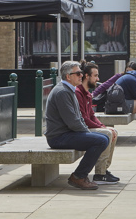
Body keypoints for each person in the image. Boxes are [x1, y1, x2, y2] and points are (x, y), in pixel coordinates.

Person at [45, 61, 109, 190]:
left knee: (104, 138)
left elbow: (78, 117)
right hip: (58, 137)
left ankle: (82, 175)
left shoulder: (69, 90)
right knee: (100, 140)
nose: (82, 75)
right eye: (78, 73)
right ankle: (78, 176)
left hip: (67, 133)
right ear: (68, 76)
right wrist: (88, 134)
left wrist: (88, 133)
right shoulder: (62, 92)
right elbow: (73, 122)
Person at [75, 61, 120, 184]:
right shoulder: (78, 93)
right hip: (79, 130)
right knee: (107, 134)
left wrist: (104, 126)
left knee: (112, 131)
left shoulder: (87, 94)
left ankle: (104, 170)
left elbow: (92, 116)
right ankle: (100, 174)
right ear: (86, 76)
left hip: (86, 126)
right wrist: (105, 130)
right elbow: (84, 119)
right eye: (95, 76)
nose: (98, 79)